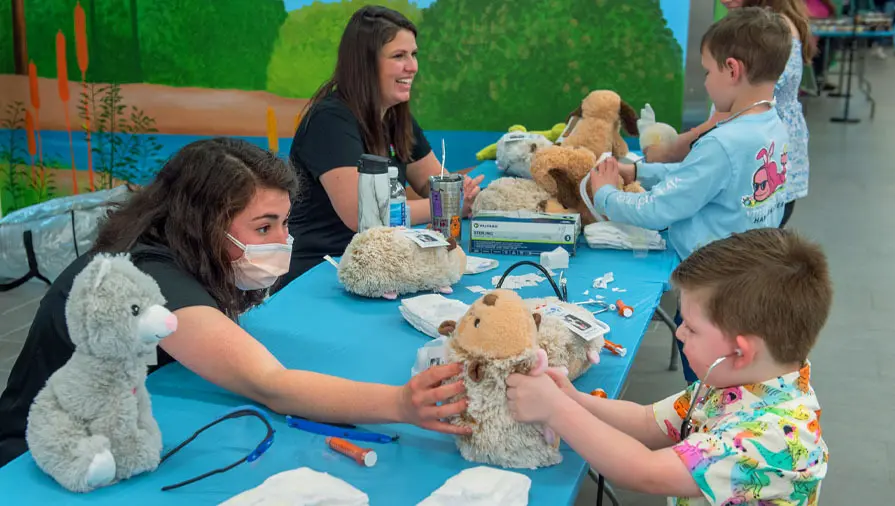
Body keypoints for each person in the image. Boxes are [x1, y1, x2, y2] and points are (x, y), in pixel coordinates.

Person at [0, 138, 470, 468]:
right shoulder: (149, 280)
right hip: (38, 456)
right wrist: (401, 404)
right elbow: (270, 383)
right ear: (203, 224)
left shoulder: (182, 252)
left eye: (285, 223)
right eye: (264, 228)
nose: (283, 241)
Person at [506, 228, 832, 505]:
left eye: (691, 327)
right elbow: (648, 421)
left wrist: (556, 411)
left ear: (740, 351)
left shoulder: (768, 438)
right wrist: (573, 399)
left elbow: (645, 470)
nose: (679, 332)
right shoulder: (741, 382)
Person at [590, 7, 793, 382]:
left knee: (706, 390)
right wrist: (638, 171)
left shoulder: (724, 141)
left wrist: (604, 195)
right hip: (749, 279)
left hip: (712, 292)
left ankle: (702, 436)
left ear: (732, 69)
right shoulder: (771, 125)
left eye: (707, 71)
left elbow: (658, 210)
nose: (705, 82)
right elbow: (697, 178)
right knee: (733, 384)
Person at [278, 5, 483, 291]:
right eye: (399, 56)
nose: (412, 66)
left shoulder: (396, 116)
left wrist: (462, 193)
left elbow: (433, 182)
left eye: (413, 54)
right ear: (365, 63)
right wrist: (449, 206)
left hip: (381, 263)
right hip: (323, 272)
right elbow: (362, 214)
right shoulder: (329, 121)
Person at [648, 0, 813, 229]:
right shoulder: (773, 26)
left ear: (733, 69)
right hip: (772, 172)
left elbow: (727, 118)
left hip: (756, 175)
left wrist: (669, 152)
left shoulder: (763, 35)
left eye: (710, 71)